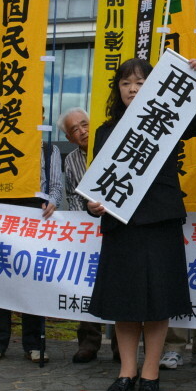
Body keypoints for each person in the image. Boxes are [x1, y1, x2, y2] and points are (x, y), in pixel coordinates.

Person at [87, 57, 196, 391]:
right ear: (117, 90)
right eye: (125, 84)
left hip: (160, 219)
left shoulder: (167, 120)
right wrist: (92, 204)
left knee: (157, 299)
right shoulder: (104, 130)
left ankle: (151, 370)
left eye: (140, 82)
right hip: (121, 223)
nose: (132, 89)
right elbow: (97, 183)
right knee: (124, 301)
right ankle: (126, 370)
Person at [0, 138, 63, 364]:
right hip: (3, 213)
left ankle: (34, 343)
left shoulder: (48, 148)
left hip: (36, 216)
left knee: (32, 280)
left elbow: (55, 186)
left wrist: (53, 202)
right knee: (0, 276)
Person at [57, 107, 119, 364]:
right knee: (86, 286)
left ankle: (120, 346)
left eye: (85, 124)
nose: (83, 131)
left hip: (116, 227)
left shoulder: (113, 145)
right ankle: (88, 343)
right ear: (70, 138)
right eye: (75, 130)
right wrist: (83, 222)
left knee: (118, 285)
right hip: (86, 230)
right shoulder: (70, 160)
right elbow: (72, 196)